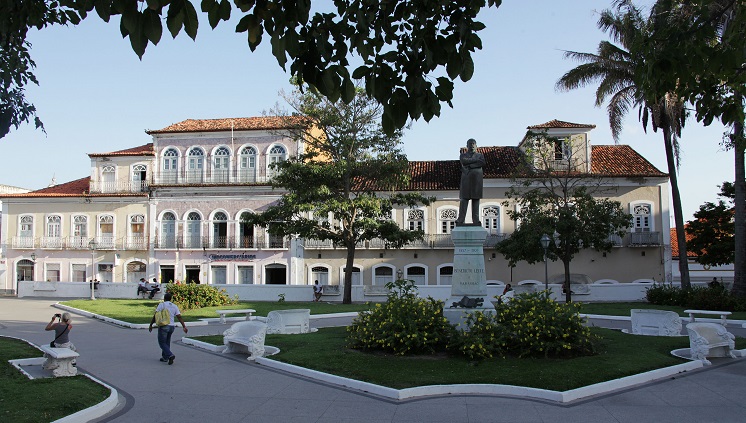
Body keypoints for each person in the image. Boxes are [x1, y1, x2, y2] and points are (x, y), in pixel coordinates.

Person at [149, 293, 188, 365]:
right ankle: (165, 357)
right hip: (171, 327)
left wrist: (151, 324)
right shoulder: (174, 306)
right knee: (167, 342)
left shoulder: (162, 305)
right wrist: (184, 326)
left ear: (164, 298)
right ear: (171, 299)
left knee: (162, 343)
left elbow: (156, 315)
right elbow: (179, 317)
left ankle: (170, 355)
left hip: (164, 326)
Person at [456, 138, 485, 225]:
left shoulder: (480, 155)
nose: (472, 145)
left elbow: (482, 163)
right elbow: (464, 161)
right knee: (464, 199)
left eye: (473, 144)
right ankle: (461, 219)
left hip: (477, 180)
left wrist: (470, 165)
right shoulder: (463, 155)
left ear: (476, 146)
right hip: (466, 179)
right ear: (467, 146)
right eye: (470, 144)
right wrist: (475, 161)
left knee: (476, 200)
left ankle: (476, 220)